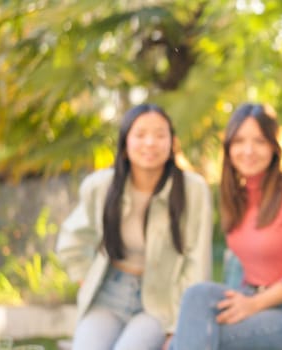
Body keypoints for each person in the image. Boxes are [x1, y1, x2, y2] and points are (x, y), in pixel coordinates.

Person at [56, 103, 213, 350]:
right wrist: (85, 279)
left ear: (172, 143)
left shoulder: (193, 189)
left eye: (160, 135)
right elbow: (71, 241)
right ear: (125, 144)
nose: (150, 143)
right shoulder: (100, 185)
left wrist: (180, 324)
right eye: (140, 135)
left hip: (161, 303)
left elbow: (197, 262)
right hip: (108, 296)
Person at [169, 102, 282, 350]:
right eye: (239, 141)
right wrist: (249, 301)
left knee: (188, 339)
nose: (248, 150)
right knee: (197, 295)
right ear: (229, 147)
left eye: (260, 141)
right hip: (248, 296)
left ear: (274, 147)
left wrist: (255, 303)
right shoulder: (237, 196)